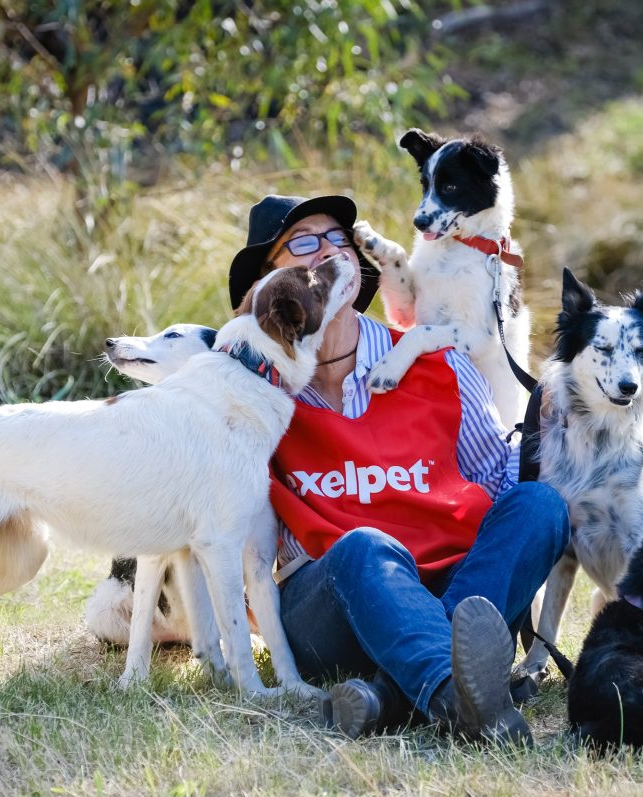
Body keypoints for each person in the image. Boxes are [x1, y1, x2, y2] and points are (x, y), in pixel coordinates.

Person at [227, 194, 570, 746]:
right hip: (333, 605)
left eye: (338, 238)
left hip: (454, 584)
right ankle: (458, 689)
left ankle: (397, 696)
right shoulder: (249, 390)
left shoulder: (433, 360)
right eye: (303, 242)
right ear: (269, 283)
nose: (325, 254)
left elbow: (496, 478)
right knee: (365, 546)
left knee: (540, 505)